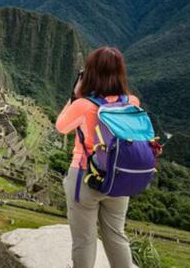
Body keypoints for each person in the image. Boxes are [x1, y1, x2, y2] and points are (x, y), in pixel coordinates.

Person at [55, 47, 136, 268]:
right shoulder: (132, 103)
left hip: (85, 177)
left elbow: (61, 126)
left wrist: (75, 95)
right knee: (116, 235)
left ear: (90, 73)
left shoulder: (83, 105)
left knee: (84, 240)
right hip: (120, 179)